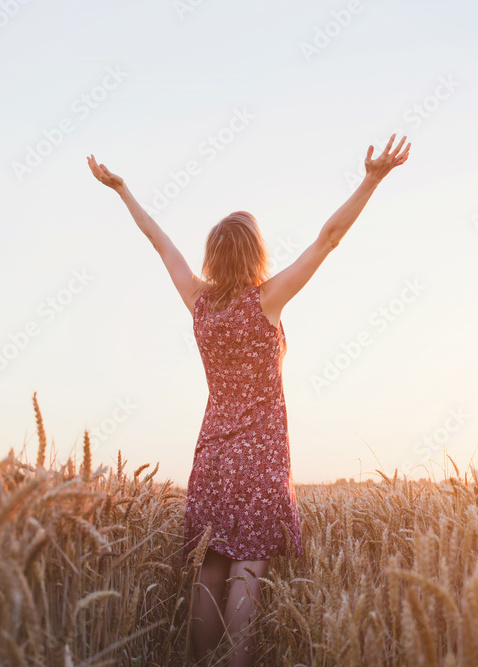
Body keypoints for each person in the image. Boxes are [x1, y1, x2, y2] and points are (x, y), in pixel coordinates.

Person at [86, 134, 411, 666]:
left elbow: (158, 240)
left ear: (213, 256)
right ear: (256, 254)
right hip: (260, 452)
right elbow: (328, 239)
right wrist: (371, 180)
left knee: (211, 565)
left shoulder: (198, 302)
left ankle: (198, 661)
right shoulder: (268, 300)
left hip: (213, 449)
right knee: (248, 569)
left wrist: (123, 191)